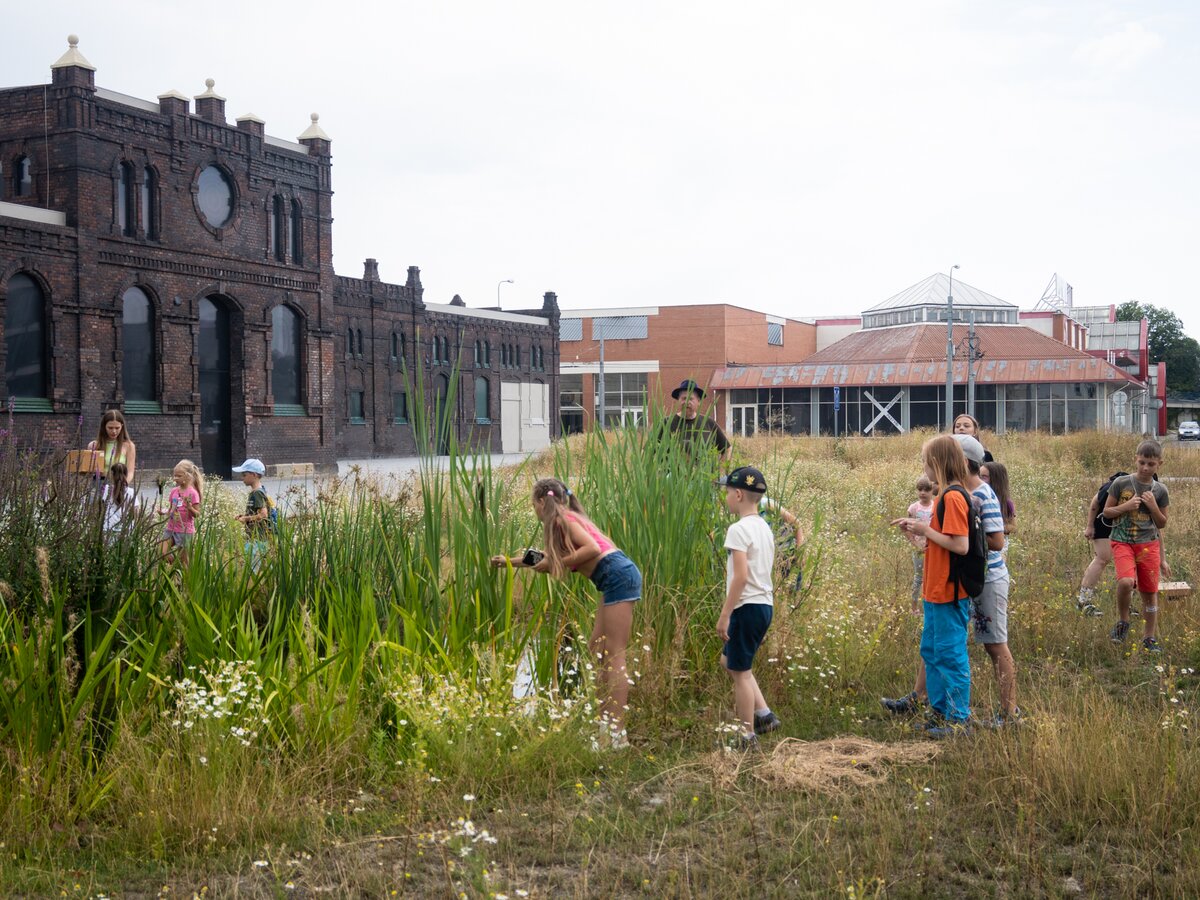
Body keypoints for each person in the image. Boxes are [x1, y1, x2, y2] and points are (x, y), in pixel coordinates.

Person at [491, 477, 642, 749]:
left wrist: (557, 561)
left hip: (618, 575)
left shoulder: (562, 521)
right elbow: (545, 558)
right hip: (611, 578)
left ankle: (617, 735)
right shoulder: (566, 518)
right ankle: (604, 724)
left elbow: (592, 549)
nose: (534, 511)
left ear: (541, 502)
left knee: (614, 652)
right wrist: (509, 563)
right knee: (597, 648)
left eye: (533, 505)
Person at [891, 435, 973, 736]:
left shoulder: (952, 497)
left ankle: (959, 718)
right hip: (935, 589)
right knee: (932, 650)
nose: (923, 467)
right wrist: (915, 530)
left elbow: (960, 545)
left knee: (950, 654)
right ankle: (939, 711)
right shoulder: (943, 497)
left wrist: (925, 528)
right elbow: (937, 542)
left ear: (936, 463)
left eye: (925, 460)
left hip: (949, 591)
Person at [956, 437, 1018, 725]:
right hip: (970, 577)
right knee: (944, 638)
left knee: (995, 645)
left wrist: (963, 537)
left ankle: (1009, 712)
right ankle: (919, 697)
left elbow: (996, 540)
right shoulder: (960, 492)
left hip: (988, 579)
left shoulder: (982, 494)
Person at [715, 466, 778, 749]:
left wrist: (725, 614)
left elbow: (740, 577)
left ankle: (746, 735)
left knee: (740, 672)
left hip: (746, 606)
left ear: (738, 494)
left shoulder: (738, 530)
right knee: (729, 661)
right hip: (764, 605)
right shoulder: (764, 527)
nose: (726, 497)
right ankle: (764, 714)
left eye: (727, 492)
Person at [1102, 440, 1170, 652]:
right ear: (1136, 459)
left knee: (1149, 593)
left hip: (1148, 545)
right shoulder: (1121, 483)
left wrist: (1152, 506)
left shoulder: (1160, 490)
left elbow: (1162, 524)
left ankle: (1149, 638)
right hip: (1122, 541)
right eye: (1142, 462)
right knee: (1125, 582)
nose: (1145, 468)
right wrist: (1126, 506)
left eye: (1151, 464)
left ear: (1159, 463)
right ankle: (1123, 622)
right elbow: (1106, 513)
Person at [880, 476, 937, 717]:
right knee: (931, 641)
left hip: (940, 568)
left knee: (940, 644)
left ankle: (947, 710)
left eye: (928, 488)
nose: (923, 492)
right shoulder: (916, 508)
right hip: (927, 556)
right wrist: (915, 538)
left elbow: (959, 544)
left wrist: (925, 534)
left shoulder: (948, 500)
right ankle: (920, 697)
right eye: (920, 489)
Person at [1074, 471, 1127, 617]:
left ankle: (1127, 603)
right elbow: (1095, 502)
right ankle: (1084, 601)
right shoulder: (1116, 485)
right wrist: (1090, 526)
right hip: (1102, 522)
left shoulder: (1148, 488)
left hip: (1121, 525)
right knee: (1102, 558)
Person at [661, 379, 732, 462]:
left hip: (704, 474)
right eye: (683, 398)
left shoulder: (708, 423)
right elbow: (647, 450)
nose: (687, 402)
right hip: (671, 474)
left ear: (698, 402)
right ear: (678, 401)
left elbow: (727, 449)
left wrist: (721, 471)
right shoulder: (666, 423)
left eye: (691, 399)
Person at [759, 495, 806, 594]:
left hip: (789, 554)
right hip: (770, 561)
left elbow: (797, 524)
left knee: (792, 595)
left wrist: (799, 552)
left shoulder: (766, 504)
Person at [160, 459, 202, 564]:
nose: (175, 478)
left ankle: (183, 576)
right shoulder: (174, 491)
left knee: (185, 561)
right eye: (174, 475)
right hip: (171, 528)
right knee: (162, 552)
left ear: (188, 476)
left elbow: (197, 514)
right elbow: (171, 510)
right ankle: (175, 567)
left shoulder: (193, 493)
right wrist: (164, 512)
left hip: (185, 531)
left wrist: (190, 508)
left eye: (179, 476)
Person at [233, 458, 271, 571]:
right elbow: (257, 512)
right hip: (254, 537)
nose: (242, 478)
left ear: (254, 475)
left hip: (257, 537)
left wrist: (246, 519)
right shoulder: (256, 492)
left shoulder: (257, 493)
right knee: (260, 566)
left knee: (251, 569)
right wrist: (243, 516)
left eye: (244, 475)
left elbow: (264, 514)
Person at [87, 410, 138, 481]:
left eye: (117, 428)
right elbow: (87, 472)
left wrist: (123, 485)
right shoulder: (94, 445)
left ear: (122, 426)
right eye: (110, 428)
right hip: (98, 484)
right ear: (104, 427)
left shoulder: (129, 446)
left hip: (119, 483)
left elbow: (130, 472)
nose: (114, 431)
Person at [99, 461, 138, 535]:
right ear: (126, 475)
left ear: (112, 475)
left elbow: (101, 507)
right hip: (126, 529)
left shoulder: (107, 489)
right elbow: (136, 512)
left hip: (108, 527)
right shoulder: (132, 492)